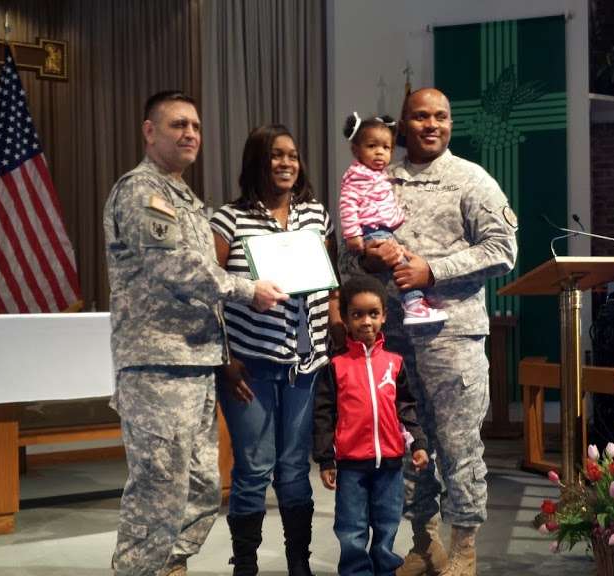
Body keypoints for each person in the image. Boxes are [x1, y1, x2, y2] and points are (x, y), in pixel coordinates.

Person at [103, 91, 287, 576]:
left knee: (202, 488)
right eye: (178, 125)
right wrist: (248, 290)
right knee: (158, 490)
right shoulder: (142, 192)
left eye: (196, 127)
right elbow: (176, 269)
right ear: (149, 131)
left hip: (198, 360)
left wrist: (225, 351)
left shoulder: (187, 198)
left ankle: (172, 566)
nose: (190, 134)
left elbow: (202, 277)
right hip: (157, 365)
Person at [340, 88, 518, 576]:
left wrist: (432, 271)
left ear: (450, 123)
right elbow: (346, 251)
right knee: (407, 446)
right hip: (391, 341)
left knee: (459, 447)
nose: (431, 124)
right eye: (420, 116)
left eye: (441, 115)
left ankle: (464, 548)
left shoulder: (470, 180)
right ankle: (423, 542)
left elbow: (503, 249)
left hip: (452, 338)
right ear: (403, 124)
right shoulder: (378, 177)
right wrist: (362, 257)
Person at [209, 124, 338, 576]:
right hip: (251, 368)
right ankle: (245, 564)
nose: (286, 164)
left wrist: (333, 337)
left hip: (305, 365)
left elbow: (327, 283)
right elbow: (211, 292)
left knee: (292, 470)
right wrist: (225, 359)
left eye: (292, 156)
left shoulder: (316, 215)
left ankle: (298, 563)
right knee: (253, 469)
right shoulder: (228, 219)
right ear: (256, 163)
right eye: (275, 156)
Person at [313, 274, 429, 576]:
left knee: (388, 522)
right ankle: (355, 571)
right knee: (351, 527)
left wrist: (418, 442)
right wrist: (326, 457)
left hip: (390, 463)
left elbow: (406, 407)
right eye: (357, 314)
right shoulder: (336, 366)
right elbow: (324, 415)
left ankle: (385, 569)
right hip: (351, 464)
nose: (366, 321)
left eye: (373, 314)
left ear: (384, 316)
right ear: (345, 319)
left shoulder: (394, 362)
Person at [338, 112, 447, 325]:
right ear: (355, 150)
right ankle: (414, 305)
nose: (380, 153)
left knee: (401, 264)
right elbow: (347, 205)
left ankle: (415, 305)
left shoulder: (378, 174)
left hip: (381, 230)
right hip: (374, 231)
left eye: (386, 148)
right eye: (372, 147)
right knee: (404, 266)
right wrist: (353, 236)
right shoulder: (357, 176)